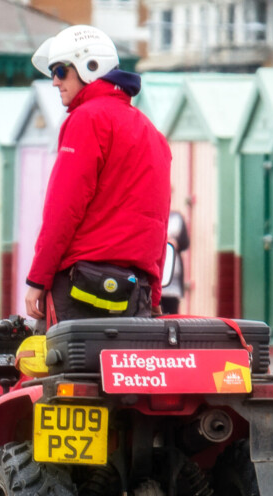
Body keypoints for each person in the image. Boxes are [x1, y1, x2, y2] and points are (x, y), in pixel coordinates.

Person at [24, 25, 171, 327]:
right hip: (136, 291)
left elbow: (63, 209)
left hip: (81, 289)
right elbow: (158, 220)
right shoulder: (152, 133)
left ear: (90, 67)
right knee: (128, 375)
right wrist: (154, 296)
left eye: (60, 71)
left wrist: (37, 279)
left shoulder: (86, 119)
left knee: (52, 370)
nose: (54, 81)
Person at [161, 211, 190, 315]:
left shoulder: (177, 218)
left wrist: (175, 242)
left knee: (171, 313)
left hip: (173, 278)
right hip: (156, 278)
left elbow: (185, 242)